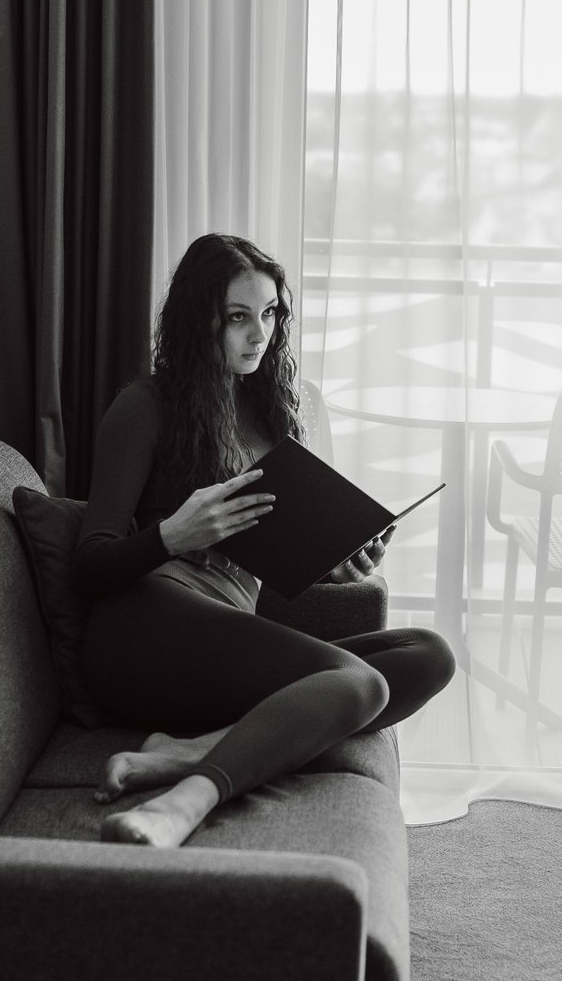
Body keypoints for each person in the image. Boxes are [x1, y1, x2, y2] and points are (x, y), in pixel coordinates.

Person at [75, 233, 457, 849]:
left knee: (428, 655)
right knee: (359, 684)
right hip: (145, 630)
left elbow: (271, 553)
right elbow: (89, 567)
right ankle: (186, 799)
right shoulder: (143, 407)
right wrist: (172, 535)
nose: (261, 334)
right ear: (200, 320)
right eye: (239, 317)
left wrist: (333, 563)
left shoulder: (272, 414)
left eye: (271, 314)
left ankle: (189, 752)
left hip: (221, 641)